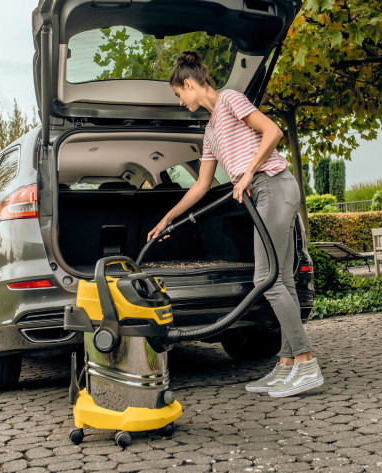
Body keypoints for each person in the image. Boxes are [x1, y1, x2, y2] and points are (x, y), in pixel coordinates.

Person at [147, 51, 324, 398]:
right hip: (262, 193)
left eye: (178, 95)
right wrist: (169, 217)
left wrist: (246, 174)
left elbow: (272, 131)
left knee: (265, 278)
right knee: (282, 279)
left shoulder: (230, 99)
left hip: (273, 184)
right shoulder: (211, 130)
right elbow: (201, 185)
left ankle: (306, 363)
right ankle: (287, 364)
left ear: (189, 83)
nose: (180, 102)